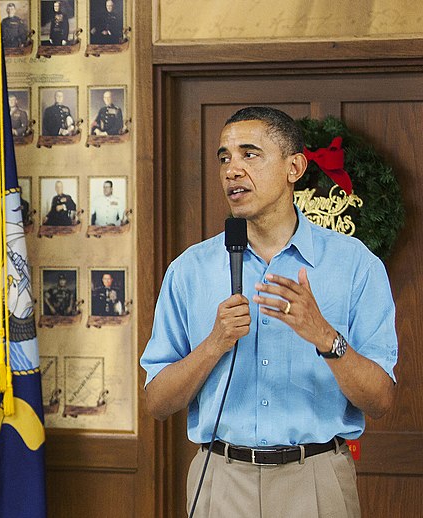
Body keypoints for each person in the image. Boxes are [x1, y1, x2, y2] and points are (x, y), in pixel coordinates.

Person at [140, 106, 397, 517]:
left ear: (294, 166)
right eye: (224, 157)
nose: (231, 170)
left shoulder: (356, 266)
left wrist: (325, 337)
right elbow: (156, 402)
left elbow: (381, 400)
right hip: (221, 481)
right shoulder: (189, 269)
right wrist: (214, 344)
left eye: (249, 154)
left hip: (316, 480)